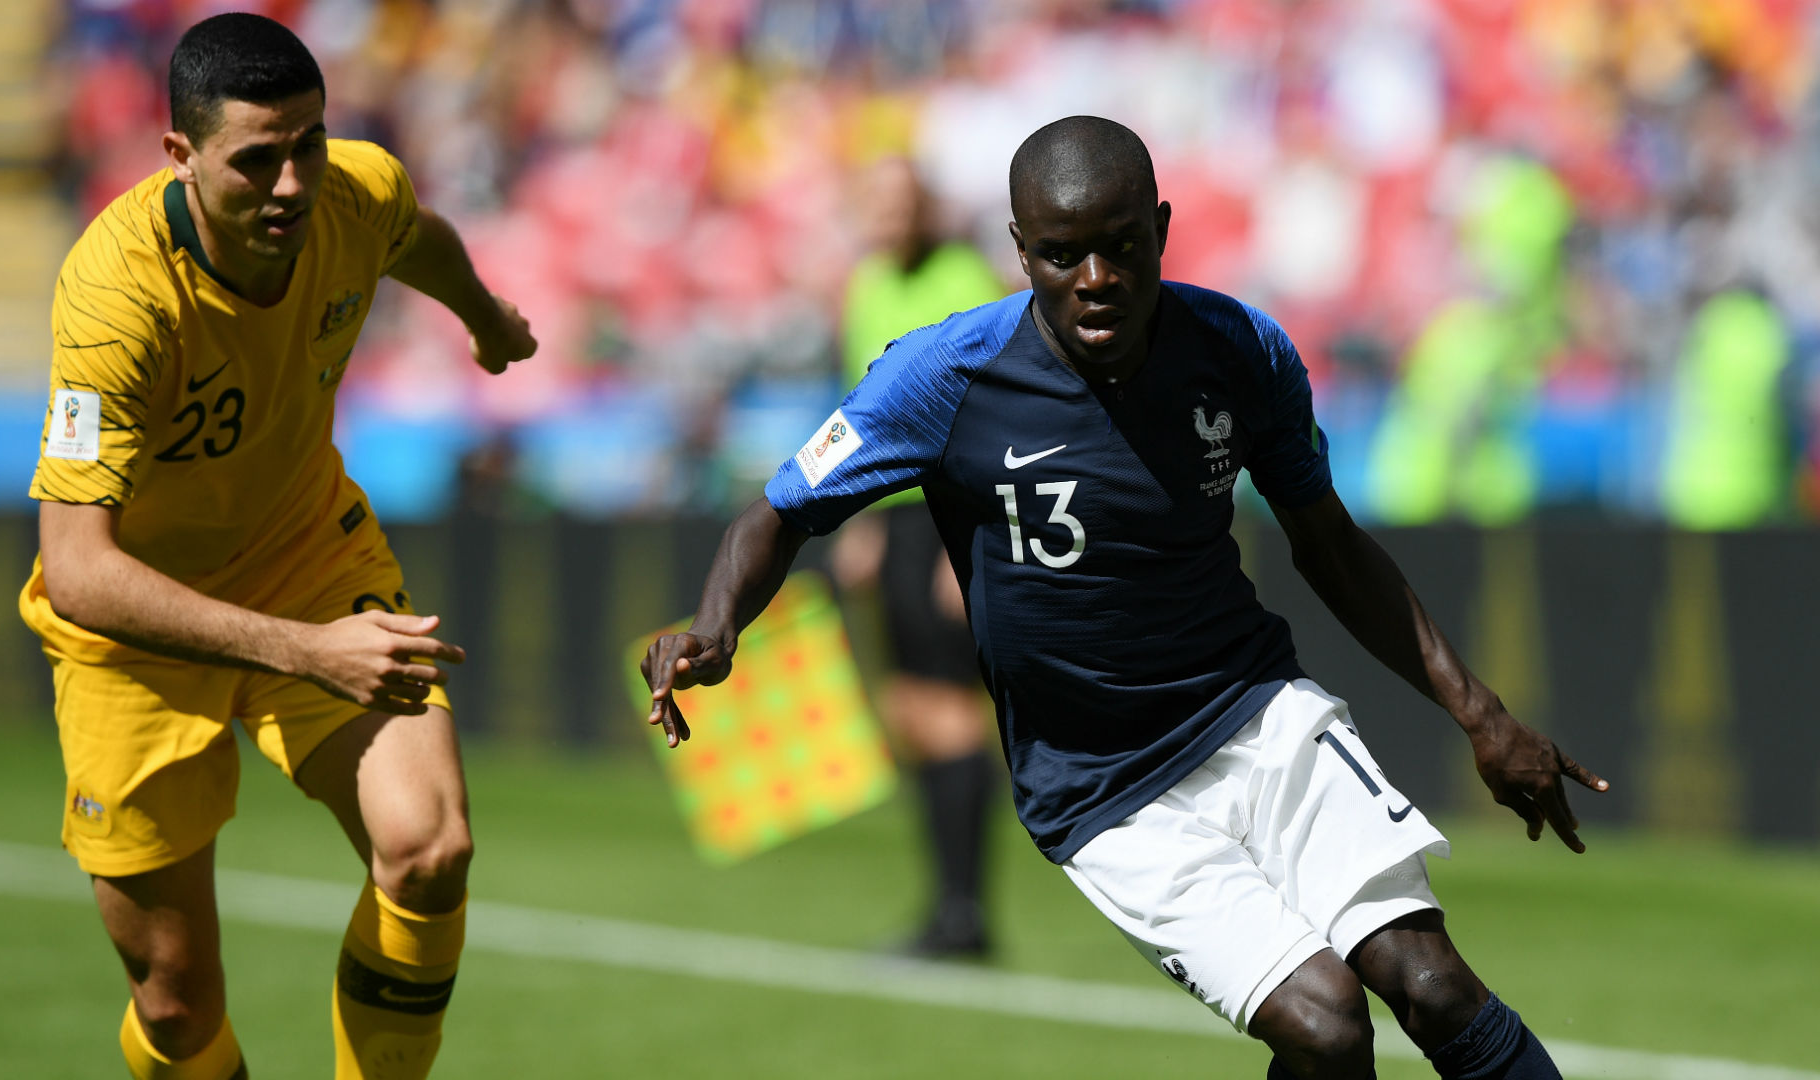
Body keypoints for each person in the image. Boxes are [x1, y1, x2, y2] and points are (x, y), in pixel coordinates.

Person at [642, 116, 1607, 1079]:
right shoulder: (942, 375)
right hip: (1101, 787)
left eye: (1122, 245)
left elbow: (1330, 544)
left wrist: (1481, 715)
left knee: (1434, 987)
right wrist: (716, 625)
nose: (1096, 278)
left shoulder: (1240, 349)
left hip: (1256, 713)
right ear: (1021, 251)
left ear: (1163, 228)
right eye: (1062, 255)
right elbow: (779, 512)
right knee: (1326, 1024)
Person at [19, 14, 535, 1079]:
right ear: (181, 154)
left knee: (429, 848)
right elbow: (77, 570)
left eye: (309, 144)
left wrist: (485, 318)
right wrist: (304, 651)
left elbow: (417, 237)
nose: (292, 183)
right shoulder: (114, 298)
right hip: (137, 628)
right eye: (257, 159)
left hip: (308, 559)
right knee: (175, 1008)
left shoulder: (356, 190)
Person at [830, 155, 1006, 956]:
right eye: (875, 203)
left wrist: (967, 536)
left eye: (901, 202)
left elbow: (993, 407)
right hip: (898, 518)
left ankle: (965, 915)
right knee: (908, 708)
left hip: (952, 512)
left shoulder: (963, 276)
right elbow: (864, 413)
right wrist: (861, 520)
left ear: (926, 207)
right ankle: (943, 911)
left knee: (950, 710)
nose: (889, 218)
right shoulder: (865, 285)